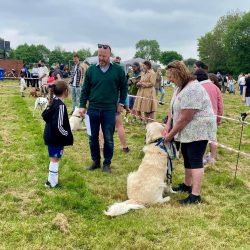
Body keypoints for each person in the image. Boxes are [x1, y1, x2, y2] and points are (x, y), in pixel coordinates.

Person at [163, 61, 216, 205]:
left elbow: (185, 118)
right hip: (187, 129)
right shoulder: (179, 87)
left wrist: (170, 135)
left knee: (195, 159)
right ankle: (187, 185)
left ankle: (195, 195)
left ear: (179, 74)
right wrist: (168, 125)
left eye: (171, 77)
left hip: (198, 129)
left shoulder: (193, 89)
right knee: (186, 156)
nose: (169, 80)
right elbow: (172, 109)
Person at [79, 43, 127, 173]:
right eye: (99, 55)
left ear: (109, 55)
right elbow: (85, 90)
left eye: (104, 56)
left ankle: (107, 163)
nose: (101, 58)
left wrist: (121, 103)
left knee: (108, 138)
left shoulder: (118, 70)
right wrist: (82, 106)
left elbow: (124, 88)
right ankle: (95, 161)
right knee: (92, 137)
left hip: (109, 110)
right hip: (93, 109)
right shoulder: (91, 70)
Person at [42, 80, 73, 188]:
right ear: (65, 91)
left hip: (50, 136)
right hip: (56, 138)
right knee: (55, 159)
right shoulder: (60, 106)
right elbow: (58, 125)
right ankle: (52, 183)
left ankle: (50, 181)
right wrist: (67, 134)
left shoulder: (52, 102)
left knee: (54, 159)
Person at [194, 69, 224, 164]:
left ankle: (202, 158)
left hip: (200, 117)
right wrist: (219, 118)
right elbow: (220, 105)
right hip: (213, 117)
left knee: (201, 138)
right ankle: (213, 158)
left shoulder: (197, 87)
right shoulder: (216, 88)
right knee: (212, 137)